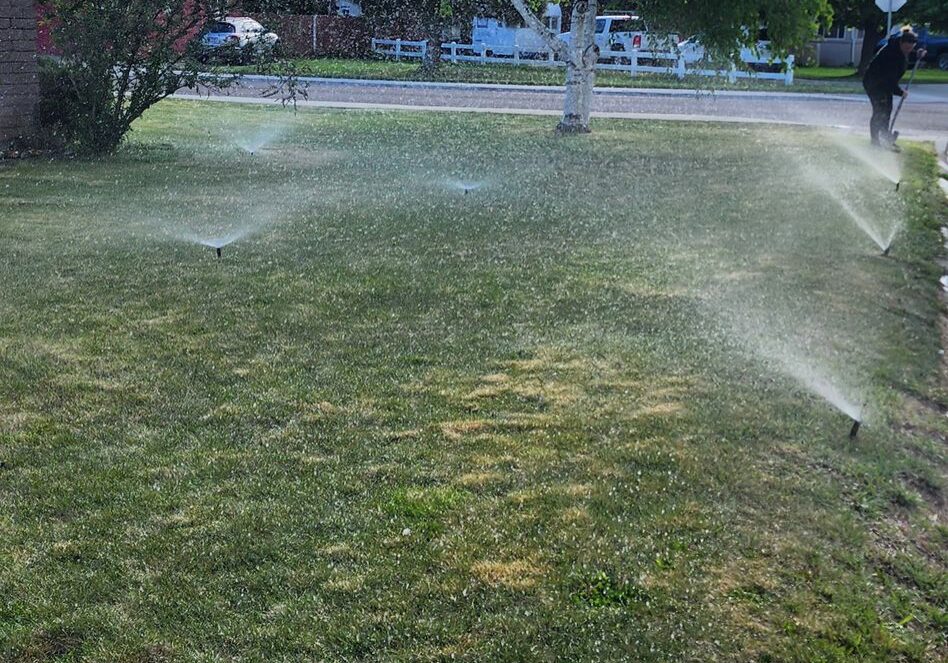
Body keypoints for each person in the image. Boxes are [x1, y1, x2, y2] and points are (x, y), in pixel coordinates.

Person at [862, 29, 926, 151]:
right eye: (907, 48)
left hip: (884, 85)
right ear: (901, 42)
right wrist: (900, 92)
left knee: (887, 110)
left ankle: (885, 138)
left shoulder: (900, 50)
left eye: (911, 48)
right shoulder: (891, 54)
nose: (908, 50)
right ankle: (875, 141)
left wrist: (917, 55)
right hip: (874, 84)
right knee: (880, 111)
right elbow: (888, 80)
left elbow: (905, 60)